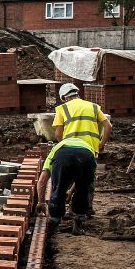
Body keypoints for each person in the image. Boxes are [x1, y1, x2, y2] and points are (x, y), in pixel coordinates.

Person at [50, 82, 112, 234]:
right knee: (84, 185)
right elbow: (108, 126)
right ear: (77, 93)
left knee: (62, 185)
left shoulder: (62, 109)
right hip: (88, 151)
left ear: (64, 97)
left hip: (67, 151)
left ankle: (56, 220)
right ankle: (80, 218)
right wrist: (100, 143)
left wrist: (63, 145)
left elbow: (58, 134)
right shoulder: (93, 107)